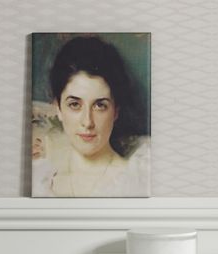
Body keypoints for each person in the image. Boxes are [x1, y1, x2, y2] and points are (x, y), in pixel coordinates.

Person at [33, 35, 151, 197]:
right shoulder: (39, 180)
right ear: (58, 108)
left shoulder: (139, 180)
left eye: (100, 105)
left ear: (116, 111)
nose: (87, 122)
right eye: (75, 105)